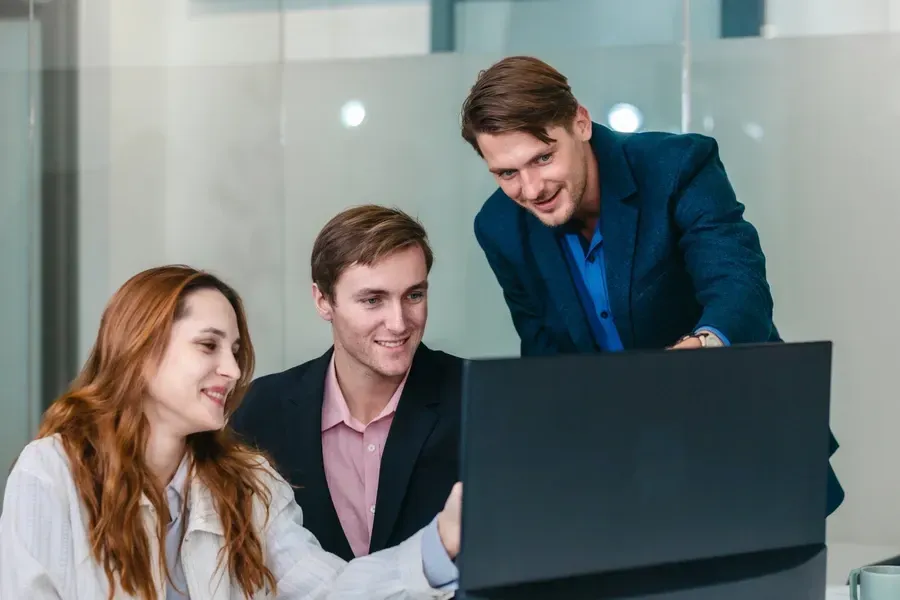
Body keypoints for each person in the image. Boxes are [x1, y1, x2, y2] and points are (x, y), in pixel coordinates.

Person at [460, 55, 844, 516]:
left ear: (580, 122)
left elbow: (739, 287)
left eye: (543, 158)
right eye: (507, 173)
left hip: (743, 434)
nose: (532, 188)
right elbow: (544, 353)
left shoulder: (678, 164)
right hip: (626, 466)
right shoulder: (499, 226)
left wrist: (698, 350)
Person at [0, 265, 461, 599]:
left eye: (236, 350)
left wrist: (439, 545)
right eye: (208, 346)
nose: (232, 369)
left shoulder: (250, 484)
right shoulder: (53, 473)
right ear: (140, 351)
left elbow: (330, 590)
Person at [231, 205, 462, 563]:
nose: (399, 323)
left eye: (414, 295)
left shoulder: (477, 398)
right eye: (373, 300)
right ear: (323, 301)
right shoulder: (260, 410)